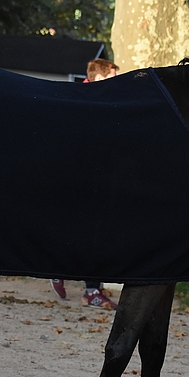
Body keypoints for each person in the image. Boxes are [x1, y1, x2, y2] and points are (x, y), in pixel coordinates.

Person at [50, 58, 121, 310]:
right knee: (93, 232)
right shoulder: (86, 100)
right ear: (100, 78)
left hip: (91, 174)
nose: (116, 83)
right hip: (85, 176)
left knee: (86, 230)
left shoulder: (92, 98)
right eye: (112, 77)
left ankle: (59, 268)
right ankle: (91, 290)